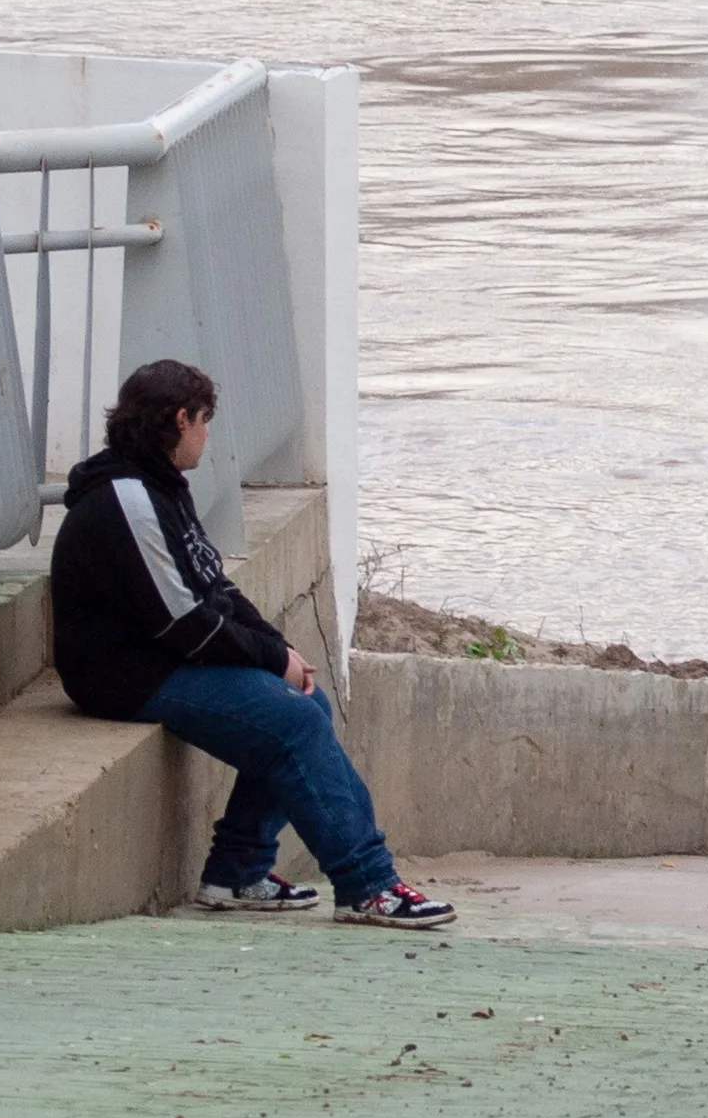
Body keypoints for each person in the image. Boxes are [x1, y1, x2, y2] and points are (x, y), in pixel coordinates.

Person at [51, 357, 454, 929]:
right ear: (182, 418)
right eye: (205, 422)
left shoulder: (160, 485)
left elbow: (214, 585)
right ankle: (368, 885)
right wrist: (268, 660)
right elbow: (180, 620)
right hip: (122, 675)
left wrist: (279, 650)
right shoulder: (128, 499)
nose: (207, 437)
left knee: (305, 703)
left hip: (161, 658)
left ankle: (237, 871)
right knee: (292, 722)